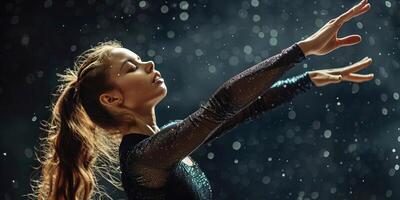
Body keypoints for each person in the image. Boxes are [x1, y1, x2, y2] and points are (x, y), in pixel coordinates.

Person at [29, 0, 374, 199]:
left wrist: (306, 80)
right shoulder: (143, 159)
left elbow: (246, 108)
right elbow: (221, 106)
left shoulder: (166, 143)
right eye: (131, 67)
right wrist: (301, 50)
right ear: (112, 99)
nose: (149, 64)